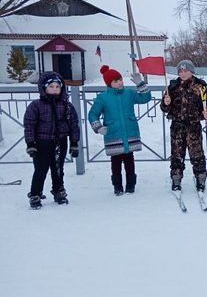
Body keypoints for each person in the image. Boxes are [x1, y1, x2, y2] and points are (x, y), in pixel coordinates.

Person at [88, 65, 151, 195]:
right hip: (113, 135)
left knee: (129, 161)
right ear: (109, 83)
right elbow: (93, 114)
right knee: (115, 163)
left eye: (120, 79)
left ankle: (131, 186)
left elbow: (145, 98)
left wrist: (140, 84)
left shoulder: (129, 94)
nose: (120, 83)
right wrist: (98, 127)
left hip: (129, 133)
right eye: (116, 81)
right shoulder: (103, 98)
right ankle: (117, 187)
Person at [24, 72, 80, 209]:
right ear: (44, 88)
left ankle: (58, 190)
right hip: (41, 143)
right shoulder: (36, 105)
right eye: (51, 86)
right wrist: (31, 143)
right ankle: (35, 194)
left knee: (58, 169)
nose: (54, 89)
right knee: (40, 170)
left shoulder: (66, 106)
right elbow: (29, 125)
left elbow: (73, 124)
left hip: (60, 142)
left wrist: (74, 143)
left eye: (57, 87)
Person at [160, 60, 207, 192]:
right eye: (180, 71)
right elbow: (164, 108)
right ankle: (176, 179)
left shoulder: (200, 86)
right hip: (177, 126)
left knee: (197, 154)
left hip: (193, 126)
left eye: (186, 71)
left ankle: (201, 178)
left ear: (192, 72)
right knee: (177, 154)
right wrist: (166, 103)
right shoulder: (172, 86)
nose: (183, 74)